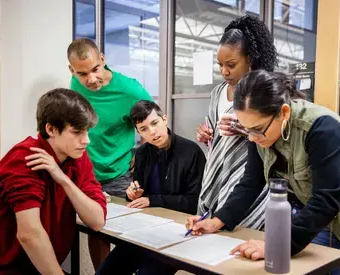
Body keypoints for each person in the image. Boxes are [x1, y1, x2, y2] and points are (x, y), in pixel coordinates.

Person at [186, 70, 340, 275]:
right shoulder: (259, 131)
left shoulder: (322, 128)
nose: (251, 138)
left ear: (284, 112)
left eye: (257, 129)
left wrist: (277, 246)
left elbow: (327, 199)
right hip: (312, 216)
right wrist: (216, 221)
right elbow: (251, 182)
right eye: (246, 129)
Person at [0, 88, 107, 275]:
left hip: (37, 267)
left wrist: (63, 180)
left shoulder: (78, 157)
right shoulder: (23, 160)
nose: (86, 140)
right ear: (50, 129)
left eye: (87, 132)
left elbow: (97, 221)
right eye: (77, 132)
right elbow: (29, 234)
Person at [67, 38, 153, 268]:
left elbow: (151, 120)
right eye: (82, 74)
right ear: (72, 71)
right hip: (85, 173)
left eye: (95, 69)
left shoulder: (129, 89)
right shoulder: (75, 85)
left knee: (127, 232)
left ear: (103, 59)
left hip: (119, 172)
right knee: (96, 230)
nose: (91, 79)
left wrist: (141, 154)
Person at [96, 100, 206, 275]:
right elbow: (141, 193)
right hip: (146, 229)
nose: (152, 132)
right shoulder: (141, 153)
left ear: (164, 119)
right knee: (106, 271)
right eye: (144, 129)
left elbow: (194, 202)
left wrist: (151, 199)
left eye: (155, 123)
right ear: (138, 132)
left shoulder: (191, 151)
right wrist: (133, 194)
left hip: (177, 231)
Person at [195, 14, 277, 230]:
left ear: (251, 59)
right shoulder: (217, 93)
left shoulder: (264, 94)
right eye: (220, 64)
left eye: (231, 64)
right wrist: (206, 135)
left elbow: (277, 137)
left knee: (240, 240)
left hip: (250, 176)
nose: (224, 71)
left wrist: (245, 130)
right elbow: (216, 137)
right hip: (217, 170)